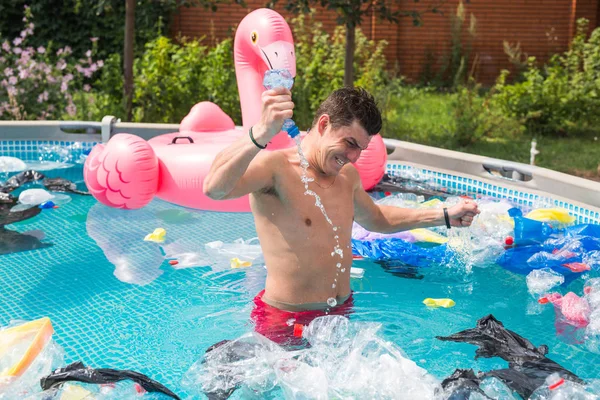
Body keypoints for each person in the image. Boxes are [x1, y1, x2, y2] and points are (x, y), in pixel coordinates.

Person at [203, 86, 479, 345]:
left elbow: (377, 219)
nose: (354, 156)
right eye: (349, 143)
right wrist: (261, 133)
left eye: (360, 148)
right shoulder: (275, 168)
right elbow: (214, 189)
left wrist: (444, 215)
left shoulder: (346, 176)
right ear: (323, 125)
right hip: (285, 320)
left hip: (340, 312)